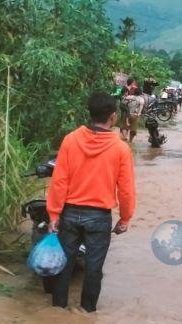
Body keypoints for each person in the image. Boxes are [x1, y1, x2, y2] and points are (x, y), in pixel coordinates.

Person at [47, 92, 136, 312]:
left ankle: (58, 310)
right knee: (94, 268)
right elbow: (125, 190)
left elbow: (59, 181)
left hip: (69, 213)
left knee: (63, 265)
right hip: (99, 217)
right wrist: (125, 218)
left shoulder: (71, 140)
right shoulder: (121, 149)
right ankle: (87, 313)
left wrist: (54, 215)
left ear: (90, 113)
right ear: (113, 117)